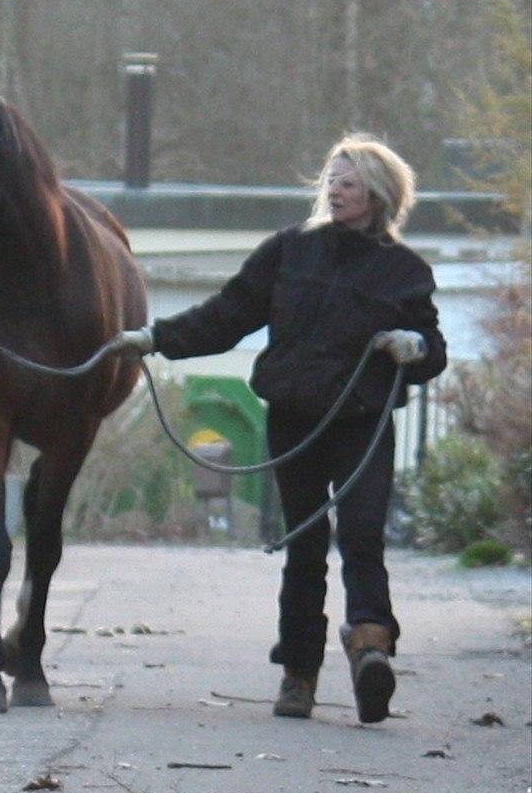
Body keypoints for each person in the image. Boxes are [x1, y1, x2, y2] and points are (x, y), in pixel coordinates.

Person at [118, 134, 447, 723]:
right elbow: (229, 315)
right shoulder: (290, 251)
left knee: (364, 534)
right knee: (305, 545)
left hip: (361, 422)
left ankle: (370, 646)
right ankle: (299, 672)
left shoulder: (404, 272)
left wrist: (413, 344)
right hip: (295, 418)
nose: (336, 189)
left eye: (349, 181)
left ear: (376, 194)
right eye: (332, 179)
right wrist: (156, 338)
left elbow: (435, 352)